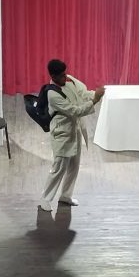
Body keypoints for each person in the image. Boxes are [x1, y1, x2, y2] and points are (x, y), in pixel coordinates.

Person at [39, 59, 105, 212]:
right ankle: (45, 199)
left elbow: (82, 94)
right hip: (62, 135)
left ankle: (66, 195)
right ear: (53, 76)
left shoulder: (68, 84)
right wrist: (95, 100)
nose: (65, 77)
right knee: (58, 168)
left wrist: (97, 94)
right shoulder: (52, 94)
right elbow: (75, 111)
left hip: (74, 132)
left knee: (74, 167)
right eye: (62, 75)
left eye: (65, 73)